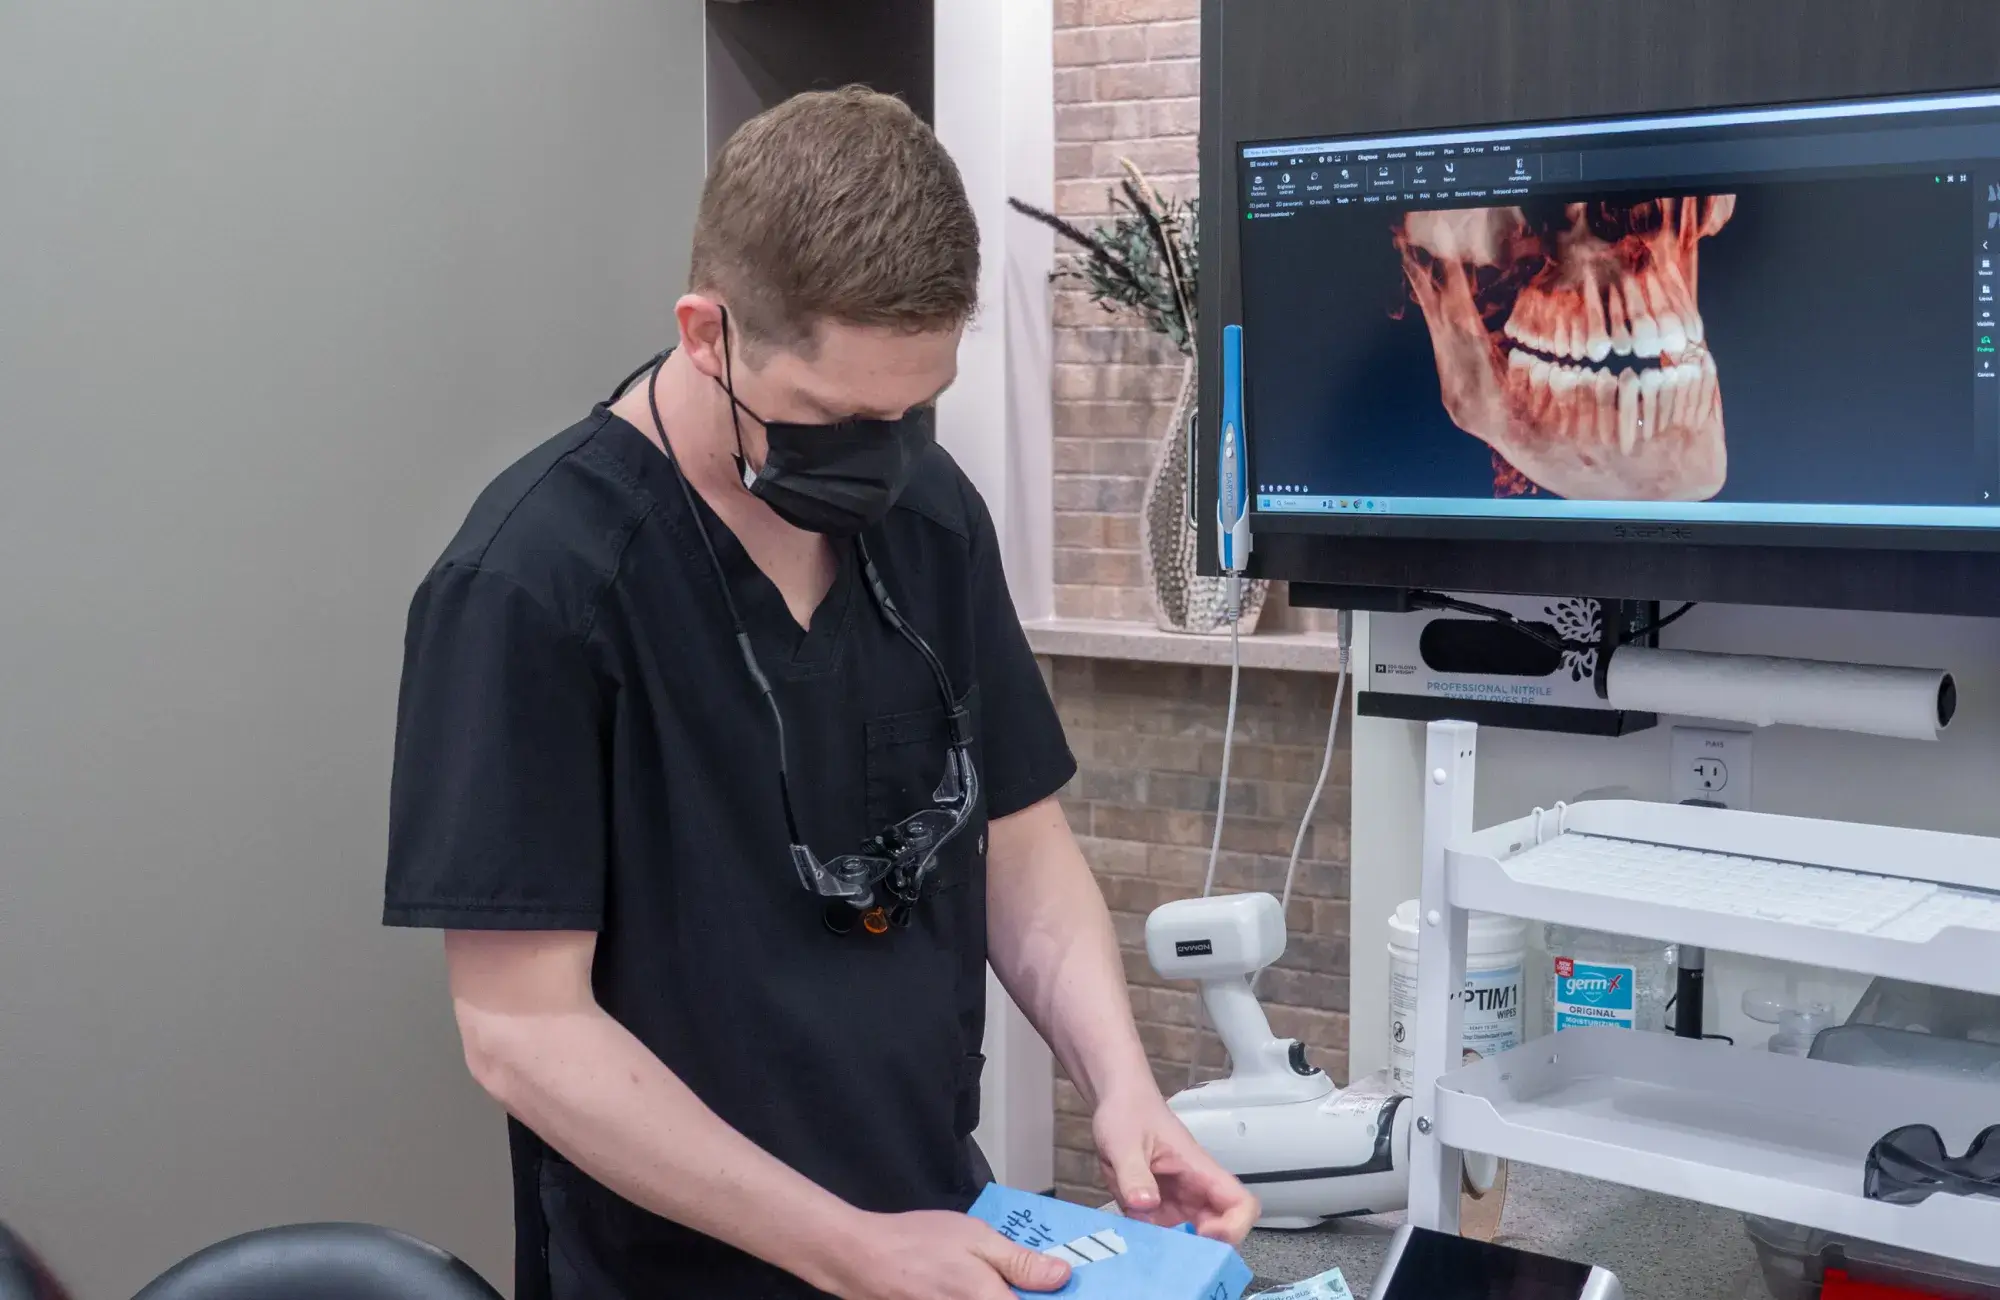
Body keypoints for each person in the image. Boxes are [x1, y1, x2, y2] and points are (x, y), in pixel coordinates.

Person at [382, 86, 1257, 1299]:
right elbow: (522, 1032)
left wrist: (1119, 1082)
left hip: (939, 1235)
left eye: (911, 412)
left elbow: (1013, 836)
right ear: (706, 333)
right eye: (833, 418)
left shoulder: (931, 515)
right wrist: (846, 1247)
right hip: (681, 1272)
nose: (880, 457)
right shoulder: (533, 585)